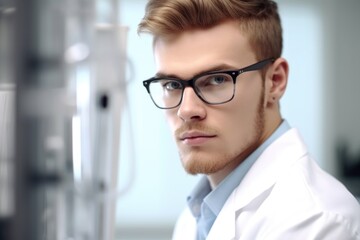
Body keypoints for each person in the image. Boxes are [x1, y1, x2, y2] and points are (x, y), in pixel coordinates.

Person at [138, 0, 360, 239]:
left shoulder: (314, 221)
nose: (187, 110)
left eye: (217, 80)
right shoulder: (197, 215)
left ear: (275, 81)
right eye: (172, 84)